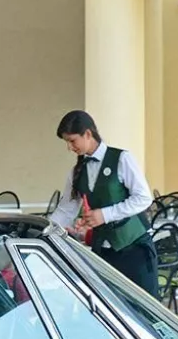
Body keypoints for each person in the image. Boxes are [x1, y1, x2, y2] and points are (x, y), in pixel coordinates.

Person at [47, 109, 158, 294]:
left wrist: (105, 215)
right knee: (110, 306)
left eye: (72, 141)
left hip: (135, 249)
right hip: (103, 253)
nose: (69, 147)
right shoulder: (77, 171)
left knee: (145, 306)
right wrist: (44, 231)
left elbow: (144, 198)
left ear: (88, 134)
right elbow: (66, 210)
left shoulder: (122, 159)